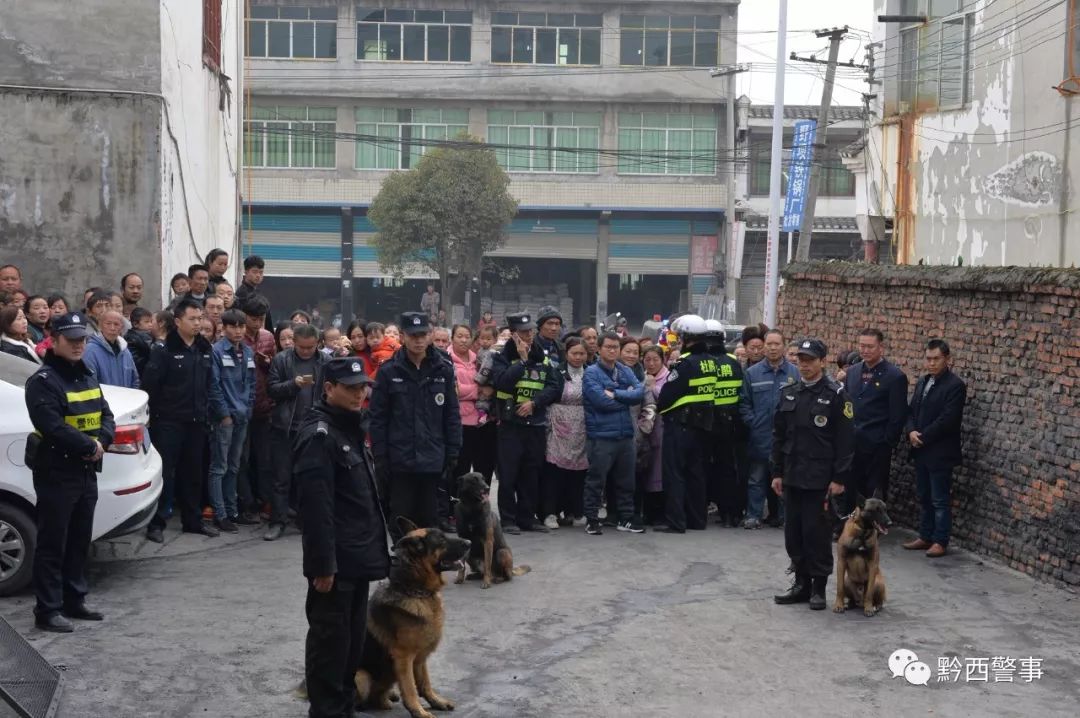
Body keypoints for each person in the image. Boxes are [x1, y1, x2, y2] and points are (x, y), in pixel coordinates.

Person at [294, 357, 388, 718]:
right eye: (350, 388)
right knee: (330, 649)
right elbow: (316, 511)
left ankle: (342, 709)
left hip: (357, 559)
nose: (359, 394)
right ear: (328, 389)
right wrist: (322, 565)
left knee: (350, 649)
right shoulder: (320, 435)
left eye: (362, 387)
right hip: (335, 565)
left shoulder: (347, 427)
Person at [24, 311, 115, 632]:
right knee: (53, 542)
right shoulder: (43, 381)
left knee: (79, 539)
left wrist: (102, 440)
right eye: (72, 340)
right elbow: (51, 425)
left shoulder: (86, 374)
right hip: (57, 470)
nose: (79, 345)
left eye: (82, 340)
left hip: (86, 470)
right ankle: (47, 610)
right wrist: (90, 447)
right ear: (55, 341)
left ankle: (74, 599)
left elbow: (106, 414)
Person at [771, 338, 855, 611]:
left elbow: (845, 441)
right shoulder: (790, 392)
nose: (803, 364)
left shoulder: (835, 395)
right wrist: (777, 472)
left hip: (820, 478)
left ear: (822, 361)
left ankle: (818, 588)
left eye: (809, 360)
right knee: (793, 533)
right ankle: (800, 583)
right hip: (793, 475)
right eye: (800, 359)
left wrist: (839, 478)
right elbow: (779, 437)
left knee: (816, 533)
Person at [369, 312, 461, 541]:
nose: (418, 340)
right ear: (402, 336)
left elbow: (451, 414)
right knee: (400, 517)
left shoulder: (443, 369)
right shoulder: (389, 371)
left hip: (432, 458)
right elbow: (378, 417)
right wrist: (380, 455)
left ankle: (429, 571)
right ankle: (402, 568)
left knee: (430, 518)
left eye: (423, 335)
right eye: (413, 335)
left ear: (430, 335)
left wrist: (453, 451)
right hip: (400, 459)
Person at [142, 298, 221, 542]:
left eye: (200, 319)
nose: (197, 323)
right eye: (192, 319)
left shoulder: (204, 348)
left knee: (193, 473)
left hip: (196, 422)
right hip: (168, 422)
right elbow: (150, 387)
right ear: (177, 321)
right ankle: (156, 523)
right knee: (165, 473)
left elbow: (210, 385)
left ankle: (192, 520)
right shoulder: (163, 350)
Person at [491, 312, 562, 535]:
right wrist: (522, 361)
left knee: (531, 474)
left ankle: (527, 517)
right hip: (511, 424)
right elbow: (502, 383)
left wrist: (535, 402)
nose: (529, 335)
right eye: (523, 332)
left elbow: (555, 387)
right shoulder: (501, 357)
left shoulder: (543, 357)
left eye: (530, 331)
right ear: (513, 334)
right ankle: (509, 520)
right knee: (509, 474)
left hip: (536, 423)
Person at [903, 339, 966, 559]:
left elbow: (948, 419)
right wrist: (911, 431)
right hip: (920, 449)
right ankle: (925, 535)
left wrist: (923, 436)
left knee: (939, 498)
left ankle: (940, 540)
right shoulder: (923, 382)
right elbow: (911, 411)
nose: (931, 363)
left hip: (939, 451)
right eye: (928, 359)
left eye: (936, 359)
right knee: (924, 495)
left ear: (947, 359)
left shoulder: (955, 386)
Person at [265, 323, 328, 541]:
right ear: (295, 344)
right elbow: (271, 389)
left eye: (311, 347)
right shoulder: (282, 360)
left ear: (317, 344)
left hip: (312, 428)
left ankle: (306, 520)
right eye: (302, 347)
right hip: (285, 427)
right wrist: (293, 384)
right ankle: (277, 521)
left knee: (309, 478)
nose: (306, 351)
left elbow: (331, 392)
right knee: (281, 478)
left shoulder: (325, 361)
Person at [655, 315, 715, 534]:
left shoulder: (685, 363)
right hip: (702, 426)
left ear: (686, 338)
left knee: (675, 474)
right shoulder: (710, 362)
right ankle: (697, 520)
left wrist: (660, 406)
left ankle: (676, 521)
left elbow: (668, 395)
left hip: (680, 425)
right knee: (696, 474)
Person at [581, 332, 645, 535]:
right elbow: (601, 402)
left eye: (616, 347)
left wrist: (616, 393)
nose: (612, 350)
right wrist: (625, 397)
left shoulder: (624, 370)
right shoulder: (591, 372)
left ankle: (625, 518)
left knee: (627, 481)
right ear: (599, 349)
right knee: (596, 480)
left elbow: (639, 393)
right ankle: (591, 519)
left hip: (625, 435)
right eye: (608, 347)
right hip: (601, 436)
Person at [842, 329, 908, 517]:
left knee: (874, 490)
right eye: (862, 346)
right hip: (853, 443)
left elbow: (898, 415)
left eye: (870, 346)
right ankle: (849, 524)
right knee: (851, 487)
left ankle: (873, 527)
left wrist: (886, 441)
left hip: (877, 444)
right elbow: (847, 405)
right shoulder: (853, 372)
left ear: (881, 347)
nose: (865, 350)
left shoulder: (894, 376)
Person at [739, 329, 799, 529]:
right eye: (769, 344)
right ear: (764, 346)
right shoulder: (752, 374)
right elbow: (744, 403)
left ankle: (782, 517)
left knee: (784, 478)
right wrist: (753, 422)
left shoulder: (794, 374)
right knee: (756, 478)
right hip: (761, 435)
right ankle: (753, 515)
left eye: (777, 344)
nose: (773, 348)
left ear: (784, 346)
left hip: (786, 438)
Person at [207, 310, 257, 534]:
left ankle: (233, 510)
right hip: (224, 418)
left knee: (235, 466)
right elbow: (214, 386)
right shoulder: (216, 351)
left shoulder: (247, 351)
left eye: (241, 326)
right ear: (224, 328)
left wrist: (249, 408)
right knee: (219, 467)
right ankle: (220, 514)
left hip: (243, 416)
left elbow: (253, 383)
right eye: (233, 326)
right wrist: (224, 414)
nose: (238, 331)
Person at [542, 336, 590, 529]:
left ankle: (577, 511)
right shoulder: (556, 372)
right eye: (574, 353)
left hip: (582, 425)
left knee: (579, 472)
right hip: (558, 424)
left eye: (582, 354)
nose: (578, 357)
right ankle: (550, 512)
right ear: (566, 353)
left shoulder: (591, 373)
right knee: (554, 472)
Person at [704, 319, 746, 528]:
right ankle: (730, 514)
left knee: (703, 468)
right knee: (728, 470)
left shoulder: (701, 361)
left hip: (705, 424)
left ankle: (702, 510)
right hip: (730, 424)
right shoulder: (732, 361)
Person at [239, 296, 277, 523]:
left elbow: (274, 368)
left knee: (264, 459)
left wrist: (267, 362)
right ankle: (246, 503)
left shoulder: (268, 337)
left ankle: (266, 502)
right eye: (253, 319)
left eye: (261, 319)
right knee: (242, 459)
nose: (257, 324)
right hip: (241, 407)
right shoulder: (234, 335)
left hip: (264, 405)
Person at [451, 324, 496, 485]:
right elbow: (455, 390)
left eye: (467, 336)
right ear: (453, 338)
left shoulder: (479, 358)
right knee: (459, 468)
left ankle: (481, 505)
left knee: (484, 468)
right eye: (459, 336)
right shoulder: (446, 359)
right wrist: (479, 390)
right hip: (459, 421)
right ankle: (454, 506)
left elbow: (492, 382)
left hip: (482, 422)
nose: (464, 340)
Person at [638, 346, 669, 524]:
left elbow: (666, 398)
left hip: (662, 429)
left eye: (655, 359)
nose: (651, 363)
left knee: (659, 471)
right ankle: (647, 511)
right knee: (646, 470)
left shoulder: (668, 377)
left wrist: (652, 388)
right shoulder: (641, 375)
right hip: (645, 430)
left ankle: (659, 513)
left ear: (662, 360)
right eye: (647, 359)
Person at [82, 310, 139, 388]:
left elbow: (135, 380)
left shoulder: (125, 351)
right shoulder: (90, 350)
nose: (112, 328)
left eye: (116, 324)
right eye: (108, 323)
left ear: (121, 327)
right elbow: (89, 382)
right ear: (100, 326)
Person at [236, 255, 274, 330]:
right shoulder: (242, 293)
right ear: (246, 272)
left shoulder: (257, 291)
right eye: (255, 272)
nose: (258, 275)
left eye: (261, 272)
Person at [125, 307, 156, 378]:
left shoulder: (130, 335)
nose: (150, 324)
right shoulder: (141, 336)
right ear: (136, 324)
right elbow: (152, 348)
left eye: (151, 321)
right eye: (147, 322)